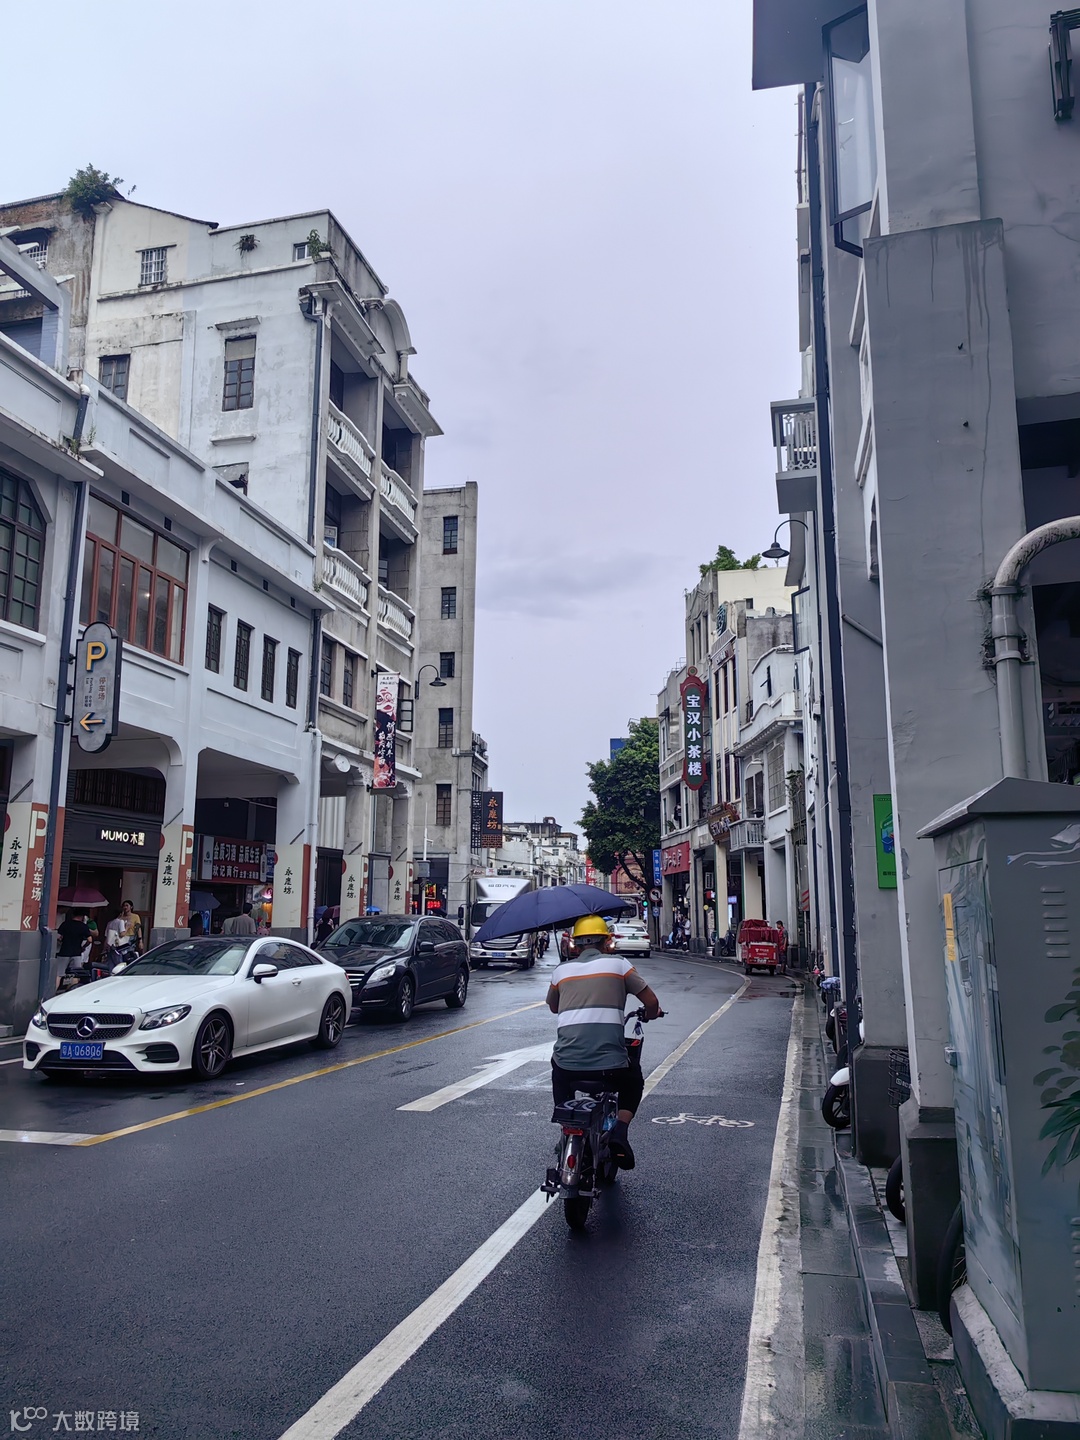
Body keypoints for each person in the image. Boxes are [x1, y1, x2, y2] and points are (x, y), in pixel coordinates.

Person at [546, 914, 663, 1171]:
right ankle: (620, 1130)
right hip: (610, 1068)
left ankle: (566, 1130)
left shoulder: (561, 971)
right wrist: (651, 1014)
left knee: (558, 1070)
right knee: (633, 1079)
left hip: (568, 1067)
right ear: (606, 942)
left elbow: (554, 1007)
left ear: (576, 944)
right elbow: (651, 1002)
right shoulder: (619, 965)